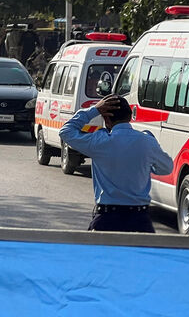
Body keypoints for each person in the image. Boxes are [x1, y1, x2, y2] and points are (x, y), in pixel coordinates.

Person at [59, 95, 173, 232]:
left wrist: (94, 110)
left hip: (107, 220)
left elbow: (66, 131)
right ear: (130, 116)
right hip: (139, 221)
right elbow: (166, 168)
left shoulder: (100, 142)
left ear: (106, 119)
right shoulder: (147, 142)